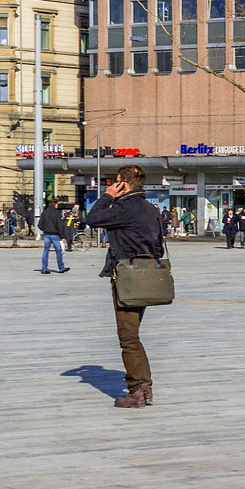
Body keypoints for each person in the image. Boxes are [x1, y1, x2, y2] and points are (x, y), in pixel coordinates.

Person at [84, 165, 162, 409]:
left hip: (129, 277)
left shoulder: (123, 207)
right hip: (148, 275)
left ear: (123, 185)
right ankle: (144, 388)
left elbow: (92, 218)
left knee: (128, 337)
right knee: (133, 336)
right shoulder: (151, 209)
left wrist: (107, 195)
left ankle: (137, 391)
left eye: (116, 182)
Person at [39, 199, 69, 275]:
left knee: (46, 251)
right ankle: (61, 268)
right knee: (58, 251)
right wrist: (62, 236)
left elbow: (39, 225)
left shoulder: (44, 213)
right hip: (55, 235)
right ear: (55, 204)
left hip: (47, 235)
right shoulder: (57, 213)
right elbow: (59, 225)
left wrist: (45, 230)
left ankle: (44, 268)